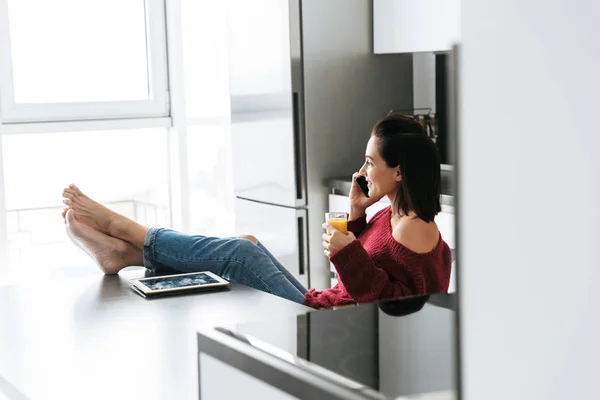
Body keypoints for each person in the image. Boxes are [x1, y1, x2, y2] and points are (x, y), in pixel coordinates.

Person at [61, 114, 451, 309]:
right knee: (246, 242)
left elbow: (387, 307)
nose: (362, 171)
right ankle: (127, 254)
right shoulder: (393, 215)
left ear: (398, 171)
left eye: (369, 162)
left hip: (326, 316)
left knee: (241, 253)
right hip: (327, 301)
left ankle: (124, 229)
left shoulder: (411, 231)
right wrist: (355, 215)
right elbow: (375, 278)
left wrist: (346, 250)